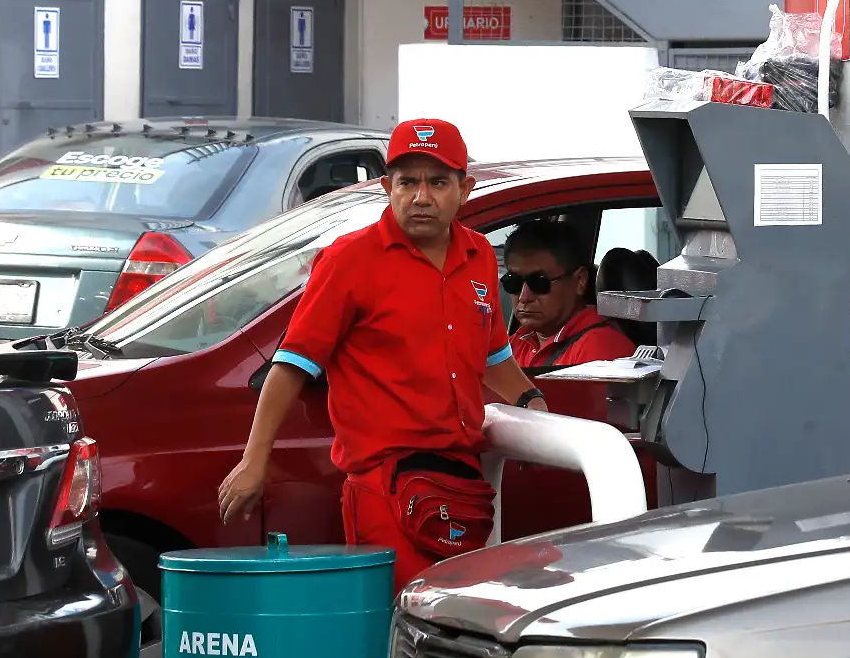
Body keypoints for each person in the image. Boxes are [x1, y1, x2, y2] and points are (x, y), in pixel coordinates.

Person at [216, 117, 547, 589]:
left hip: (461, 482)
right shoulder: (349, 260)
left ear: (465, 188)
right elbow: (291, 365)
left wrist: (532, 403)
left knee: (454, 625)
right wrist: (255, 460)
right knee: (407, 622)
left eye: (437, 182)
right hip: (382, 487)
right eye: (407, 182)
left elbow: (495, 359)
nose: (421, 196)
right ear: (386, 187)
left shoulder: (478, 256)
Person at [503, 221, 636, 371]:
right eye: (513, 282)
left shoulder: (600, 351)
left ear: (579, 281)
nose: (524, 297)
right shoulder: (517, 342)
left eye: (539, 282)